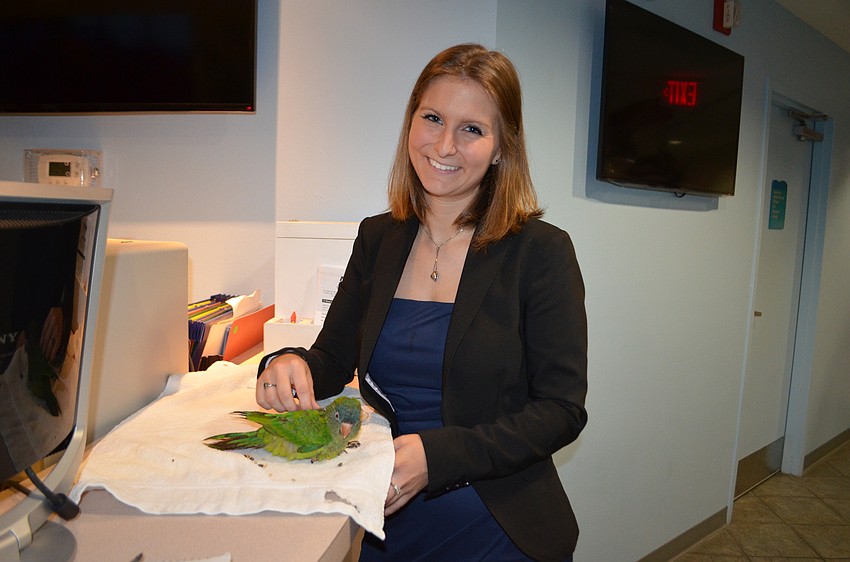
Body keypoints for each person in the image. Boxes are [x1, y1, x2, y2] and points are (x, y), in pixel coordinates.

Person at [256, 43, 587, 562]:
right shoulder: (377, 238)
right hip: (385, 511)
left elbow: (561, 411)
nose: (445, 144)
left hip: (496, 520)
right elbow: (332, 359)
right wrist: (285, 363)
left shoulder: (541, 252)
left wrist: (439, 457)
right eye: (432, 118)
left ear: (501, 148)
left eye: (471, 129)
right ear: (411, 122)